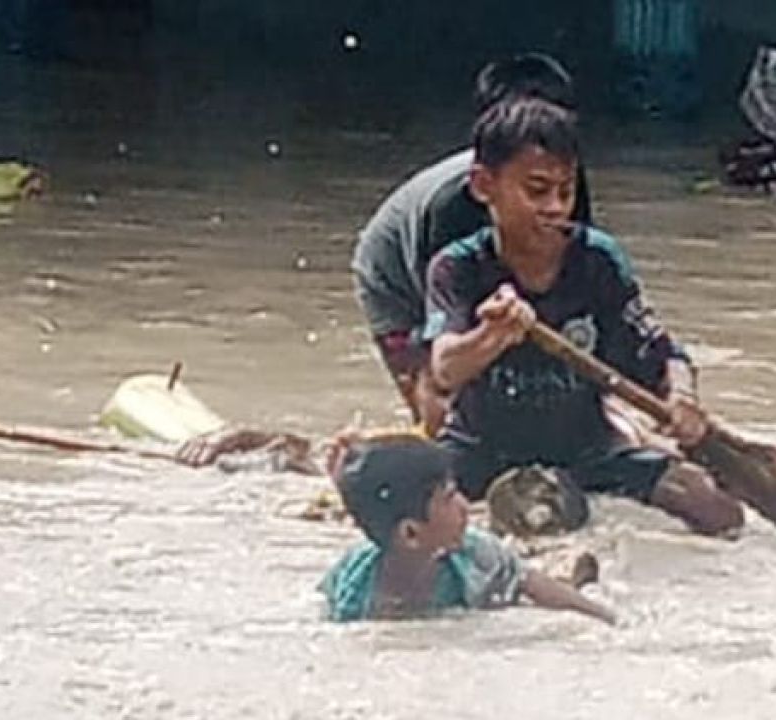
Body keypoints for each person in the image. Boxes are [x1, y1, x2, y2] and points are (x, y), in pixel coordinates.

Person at [424, 96, 745, 537]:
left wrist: (683, 401)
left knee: (718, 511)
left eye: (566, 191)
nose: (555, 207)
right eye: (537, 191)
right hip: (479, 452)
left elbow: (664, 353)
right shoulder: (456, 267)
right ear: (483, 186)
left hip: (589, 450)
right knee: (409, 512)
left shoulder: (597, 259)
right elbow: (444, 369)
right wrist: (494, 334)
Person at [351, 53, 594, 433]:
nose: (555, 204)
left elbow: (574, 283)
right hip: (397, 275)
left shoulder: (565, 184)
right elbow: (445, 313)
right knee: (439, 408)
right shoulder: (451, 205)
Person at [318, 434, 615, 624]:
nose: (465, 505)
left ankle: (572, 571)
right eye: (449, 499)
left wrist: (603, 617)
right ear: (411, 534)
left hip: (496, 591)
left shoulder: (475, 555)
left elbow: (533, 584)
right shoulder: (353, 587)